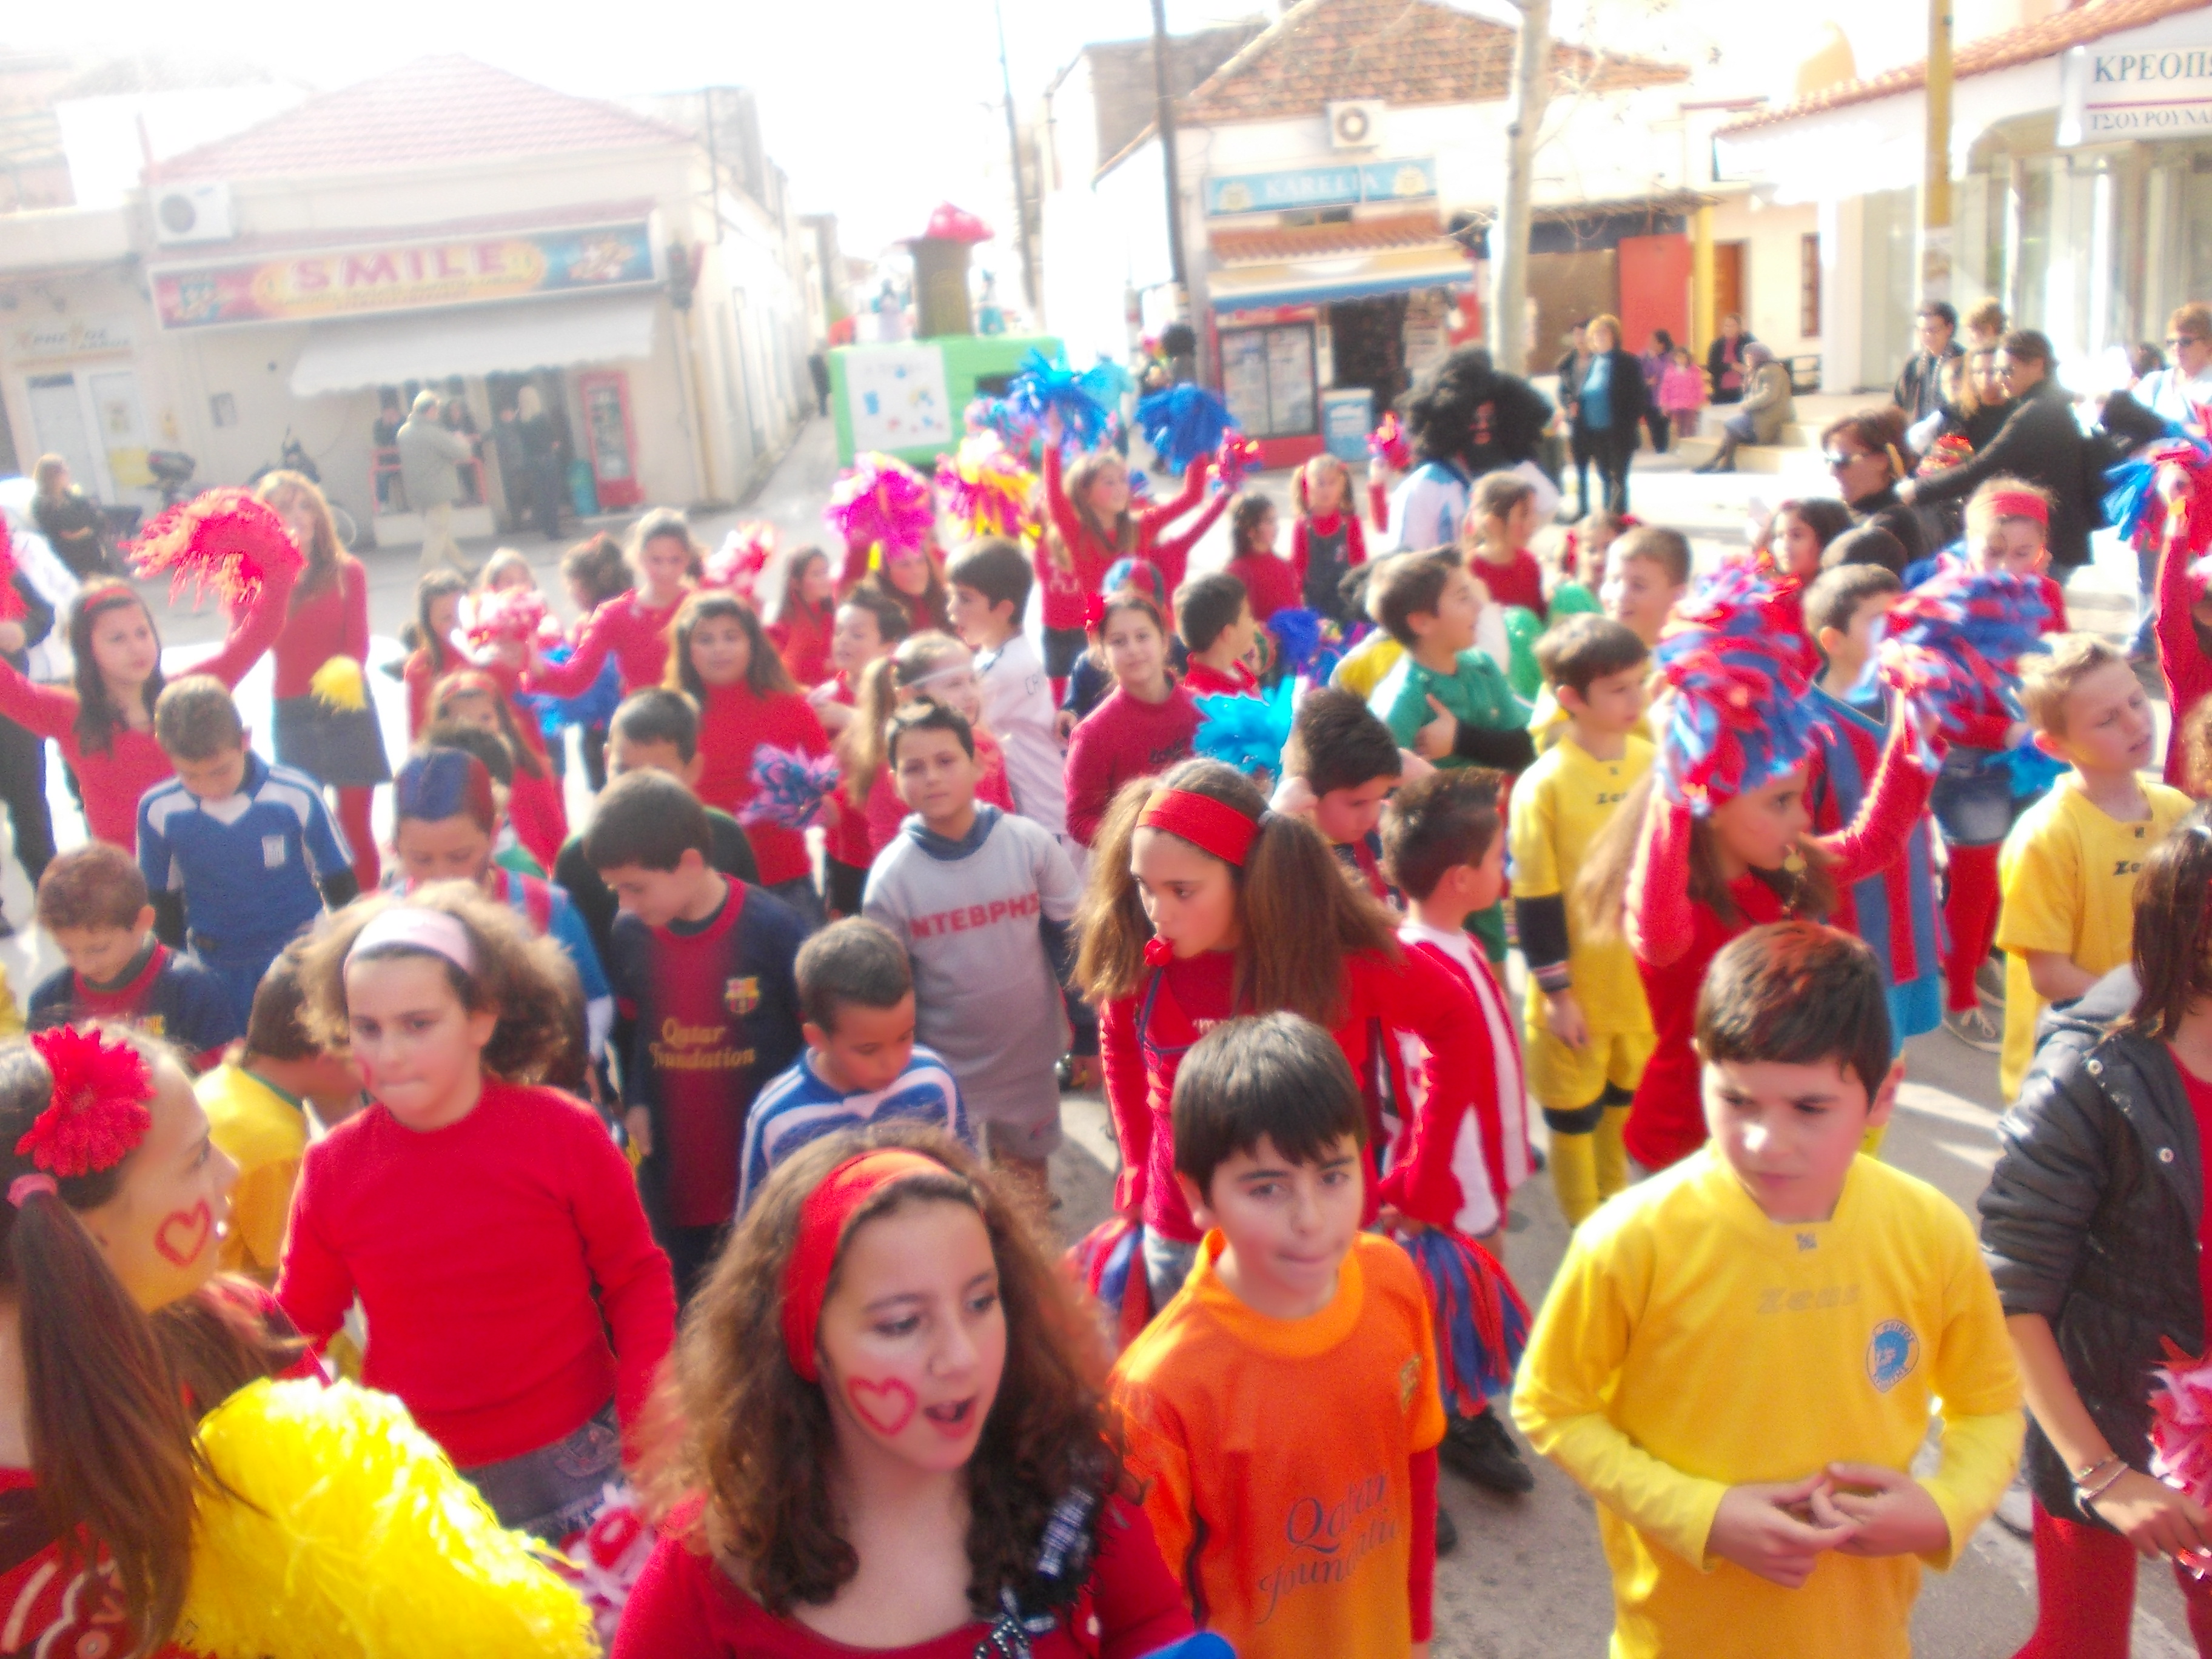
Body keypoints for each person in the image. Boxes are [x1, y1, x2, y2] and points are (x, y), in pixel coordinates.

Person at [1515, 921, 2022, 1659]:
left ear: (1883, 1094)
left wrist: (1946, 1510)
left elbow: (1990, 1404)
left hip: (1866, 1638)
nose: (1764, 1141)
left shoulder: (1930, 1232)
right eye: (1738, 1100)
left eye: (1809, 1108)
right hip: (1679, 1641)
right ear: (1702, 1069)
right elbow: (1550, 1406)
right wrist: (1702, 1515)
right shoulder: (1631, 1240)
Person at [613, 1128, 1195, 1658]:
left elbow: (1152, 1624)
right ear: (808, 1344)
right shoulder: (712, 1560)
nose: (962, 1357)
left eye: (980, 1302)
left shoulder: (1067, 1474)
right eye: (901, 1324)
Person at [281, 885, 676, 1537]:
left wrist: (649, 1413)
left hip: (582, 1457)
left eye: (418, 1024)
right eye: (367, 1028)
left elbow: (635, 1277)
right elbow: (298, 1326)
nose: (388, 1052)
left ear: (482, 1019)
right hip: (423, 1478)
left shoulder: (564, 1132)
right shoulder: (333, 1167)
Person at [1076, 760, 1489, 1321]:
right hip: (1185, 1240)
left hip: (1324, 1242)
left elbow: (1455, 1019)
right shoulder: (1144, 956)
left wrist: (1429, 1171)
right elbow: (1121, 1045)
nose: (1157, 912)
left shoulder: (1335, 957)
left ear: (1249, 878)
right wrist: (1134, 1165)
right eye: (1145, 887)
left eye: (1182, 891)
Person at [1108, 1013, 1444, 1659]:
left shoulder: (1392, 1281)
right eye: (1267, 1188)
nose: (1310, 1219)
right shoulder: (1159, 1394)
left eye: (1333, 1175)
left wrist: (1418, 1631)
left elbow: (1419, 1464)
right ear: (1197, 1194)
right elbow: (1145, 1616)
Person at [1577, 569, 1932, 1173]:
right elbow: (1656, 929)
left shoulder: (1784, 866)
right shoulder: (1676, 909)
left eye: (1800, 796)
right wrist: (1677, 772)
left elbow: (1875, 843)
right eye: (1780, 802)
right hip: (1683, 1160)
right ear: (1709, 806)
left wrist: (1919, 720)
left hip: (1777, 1148)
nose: (1804, 818)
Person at [1980, 822, 2212, 1657]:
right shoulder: (2093, 1068)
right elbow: (2012, 1290)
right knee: (2080, 1645)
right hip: (2107, 1412)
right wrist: (2101, 1471)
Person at [585, 769, 808, 1301]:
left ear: (688, 863)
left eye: (635, 887)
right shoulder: (632, 934)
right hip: (676, 1182)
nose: (625, 904)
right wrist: (638, 1099)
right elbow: (639, 1030)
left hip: (764, 1181)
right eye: (616, 890)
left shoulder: (775, 930)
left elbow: (814, 1044)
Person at [1378, 771, 1538, 1497]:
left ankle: (1459, 1405)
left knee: (1470, 1292)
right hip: (1452, 1180)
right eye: (1501, 856)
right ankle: (1443, 1421)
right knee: (1450, 1299)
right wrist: (1440, 1188)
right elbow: (1423, 1093)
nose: (1509, 866)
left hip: (1481, 1169)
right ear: (1461, 880)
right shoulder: (1419, 960)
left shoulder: (1459, 942)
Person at [863, 703, 1078, 1201]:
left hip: (1029, 1061)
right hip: (942, 1072)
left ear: (979, 764)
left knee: (1027, 1185)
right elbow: (889, 989)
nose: (932, 777)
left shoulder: (1028, 844)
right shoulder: (891, 880)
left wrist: (1087, 1031)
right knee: (956, 1193)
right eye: (914, 768)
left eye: (946, 761)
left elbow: (1071, 940)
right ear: (895, 782)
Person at [0, 535, 298, 852]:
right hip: (129, 874)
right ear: (87, 650)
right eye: (117, 639)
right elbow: (8, 688)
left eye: (142, 633)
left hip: (211, 862)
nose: (136, 648)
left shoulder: (189, 692)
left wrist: (271, 556)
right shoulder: (66, 713)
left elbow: (258, 635)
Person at [1995, 635, 2192, 1101]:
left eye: (2136, 701)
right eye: (2107, 720)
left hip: (2158, 1057)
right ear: (2054, 745)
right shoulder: (2048, 835)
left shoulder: (2177, 810)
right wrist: (2154, 1013)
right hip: (2074, 1073)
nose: (2136, 723)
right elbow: (2050, 974)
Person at [1511, 615, 1653, 1227]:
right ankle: (1584, 1235)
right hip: (1576, 998)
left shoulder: (1654, 761)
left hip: (1639, 988)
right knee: (1573, 1119)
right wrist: (1558, 995)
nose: (1635, 699)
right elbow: (1535, 897)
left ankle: (1613, 1218)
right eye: (1618, 689)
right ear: (1571, 698)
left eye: (1639, 683)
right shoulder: (1543, 784)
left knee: (1623, 1107)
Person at [138, 675, 358, 1030]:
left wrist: (346, 954)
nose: (210, 787)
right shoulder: (159, 810)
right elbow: (163, 903)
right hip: (217, 964)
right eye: (191, 776)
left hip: (299, 958)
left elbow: (340, 882)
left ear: (245, 740)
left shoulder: (295, 793)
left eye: (220, 771)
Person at [389, 745, 614, 1065]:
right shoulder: (385, 921)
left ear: (494, 833)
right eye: (421, 859)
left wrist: (581, 1059)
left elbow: (597, 998)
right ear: (396, 846)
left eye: (460, 856)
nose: (441, 876)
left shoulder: (545, 907)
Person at [1800, 564, 1945, 1054]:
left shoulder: (1906, 699)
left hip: (1909, 912)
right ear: (1833, 640)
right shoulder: (1808, 728)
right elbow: (1801, 850)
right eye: (1881, 620)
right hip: (1850, 933)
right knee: (1858, 1056)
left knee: (1890, 1054)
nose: (1899, 631)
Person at [737, 919, 968, 1212]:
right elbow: (757, 1228)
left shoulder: (933, 1080)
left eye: (905, 1036)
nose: (892, 1063)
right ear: (817, 1039)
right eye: (868, 1050)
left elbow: (968, 1186)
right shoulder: (779, 1118)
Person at [553, 688, 760, 967]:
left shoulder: (723, 836)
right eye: (623, 771)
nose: (638, 786)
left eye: (657, 774)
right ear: (606, 761)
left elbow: (751, 932)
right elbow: (576, 960)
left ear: (692, 770)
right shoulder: (579, 856)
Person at [197, 939, 364, 1281]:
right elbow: (287, 1277)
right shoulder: (278, 1146)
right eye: (368, 1041)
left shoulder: (224, 1081)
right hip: (230, 1304)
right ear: (328, 1056)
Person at [256, 470, 390, 890]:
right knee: (307, 826)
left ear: (318, 514)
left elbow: (357, 647)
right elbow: (252, 642)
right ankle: (327, 910)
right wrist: (281, 573)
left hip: (346, 706)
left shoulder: (348, 572)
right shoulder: (255, 578)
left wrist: (335, 691)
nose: (297, 516)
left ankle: (367, 908)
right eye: (283, 508)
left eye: (305, 505)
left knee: (355, 825)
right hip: (292, 711)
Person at [667, 590, 831, 928]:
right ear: (687, 649)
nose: (720, 649)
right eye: (706, 639)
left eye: (731, 636)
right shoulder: (670, 715)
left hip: (785, 878)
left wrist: (819, 806)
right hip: (705, 885)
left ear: (753, 643)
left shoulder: (791, 706)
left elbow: (832, 784)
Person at [1899, 330, 2096, 577]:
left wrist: (1918, 490)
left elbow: (1983, 466)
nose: (2000, 379)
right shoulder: (2050, 404)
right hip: (2049, 535)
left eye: (2008, 371)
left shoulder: (2036, 412)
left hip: (2045, 540)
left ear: (2037, 365)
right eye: (1998, 371)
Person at [27, 841, 236, 1068]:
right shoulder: (49, 1001)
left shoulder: (191, 989)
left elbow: (220, 1078)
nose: (84, 965)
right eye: (66, 950)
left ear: (143, 921)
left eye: (98, 949)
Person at [1036, 442, 1221, 690]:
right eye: (1109, 482)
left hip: (1147, 635)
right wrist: (1053, 442)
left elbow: (1192, 496)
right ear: (1085, 492)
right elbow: (1056, 500)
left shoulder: (1140, 527)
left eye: (1123, 480)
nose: (1120, 488)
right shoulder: (1078, 536)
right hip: (1106, 643)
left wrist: (1198, 438)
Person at [842, 631, 1016, 862]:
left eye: (972, 680)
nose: (970, 694)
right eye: (954, 684)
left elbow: (1006, 816)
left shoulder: (985, 745)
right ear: (910, 695)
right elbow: (887, 843)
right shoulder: (896, 764)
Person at [947, 537, 1067, 845]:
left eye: (965, 599)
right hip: (1055, 811)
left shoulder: (997, 672)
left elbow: (949, 726)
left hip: (1045, 817)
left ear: (1003, 609)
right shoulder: (1019, 652)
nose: (952, 610)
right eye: (952, 597)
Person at [1366, 551, 1529, 769]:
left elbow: (1525, 751)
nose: (1478, 606)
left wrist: (1461, 740)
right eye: (1463, 598)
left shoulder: (1482, 666)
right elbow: (1386, 782)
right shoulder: (1401, 700)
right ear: (1422, 622)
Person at [1384, 346, 1557, 552]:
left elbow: (1548, 505)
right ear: (1451, 419)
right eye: (1473, 418)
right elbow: (1403, 557)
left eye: (1491, 418)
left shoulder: (1511, 474)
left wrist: (1510, 461)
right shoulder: (1425, 485)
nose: (1483, 426)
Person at [1062, 591, 1199, 846]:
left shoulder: (1203, 709)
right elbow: (1079, 819)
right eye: (1118, 642)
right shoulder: (1094, 734)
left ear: (1164, 641)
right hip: (1137, 863)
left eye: (1142, 636)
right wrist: (1138, 839)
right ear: (1102, 654)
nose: (1133, 649)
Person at [527, 507, 700, 702]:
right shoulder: (615, 614)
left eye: (675, 560)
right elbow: (576, 678)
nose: (665, 570)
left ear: (687, 559)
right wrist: (531, 658)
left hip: (703, 716)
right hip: (643, 717)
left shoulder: (702, 607)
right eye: (656, 560)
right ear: (639, 557)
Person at [426, 666, 569, 874]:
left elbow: (556, 835)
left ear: (500, 718)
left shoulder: (527, 771)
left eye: (486, 717)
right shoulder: (435, 781)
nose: (478, 728)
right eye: (463, 721)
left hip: (525, 877)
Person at [1277, 686, 1406, 902]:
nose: (1371, 816)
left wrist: (1427, 778)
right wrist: (1274, 824)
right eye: (1357, 803)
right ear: (1308, 790)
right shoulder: (1294, 859)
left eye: (1380, 797)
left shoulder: (1386, 834)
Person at [0, 548, 57, 931]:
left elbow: (43, 612)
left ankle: (52, 895)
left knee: (30, 806)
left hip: (13, 710)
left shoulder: (6, 569)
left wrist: (23, 630)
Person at [554, 533, 632, 791]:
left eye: (573, 585)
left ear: (587, 586)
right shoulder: (632, 610)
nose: (570, 592)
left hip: (603, 728)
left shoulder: (590, 625)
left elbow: (576, 681)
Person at [1823, 408, 1934, 572]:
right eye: (1828, 461)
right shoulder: (1838, 512)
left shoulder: (1894, 522)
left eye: (1841, 461)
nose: (1832, 471)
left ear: (1882, 460)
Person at [1567, 314, 1650, 517]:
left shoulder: (1627, 362)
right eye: (1596, 334)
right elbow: (1582, 392)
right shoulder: (1592, 362)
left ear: (1615, 336)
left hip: (1619, 431)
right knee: (1604, 475)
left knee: (1618, 477)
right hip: (1594, 431)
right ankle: (1607, 517)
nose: (1600, 337)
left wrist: (1628, 423)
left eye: (1604, 333)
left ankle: (1619, 518)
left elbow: (1639, 397)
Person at [396, 390, 478, 575]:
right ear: (431, 410)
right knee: (436, 535)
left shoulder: (404, 432)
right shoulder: (432, 432)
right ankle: (426, 575)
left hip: (417, 493)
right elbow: (462, 453)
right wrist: (462, 441)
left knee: (440, 533)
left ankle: (465, 566)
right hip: (438, 492)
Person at [1290, 452, 1368, 621]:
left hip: (1345, 597)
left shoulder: (1351, 522)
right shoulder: (1303, 524)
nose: (1326, 490)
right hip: (1315, 601)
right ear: (1308, 485)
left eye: (1332, 483)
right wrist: (1297, 600)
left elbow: (1360, 561)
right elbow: (1298, 565)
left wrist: (1362, 593)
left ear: (1342, 485)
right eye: (1320, 483)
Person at [1695, 343, 1794, 474]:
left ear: (1759, 356)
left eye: (1750, 356)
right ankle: (1723, 462)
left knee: (1733, 426)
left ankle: (1720, 461)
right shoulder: (1758, 370)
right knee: (1732, 428)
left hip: (1770, 419)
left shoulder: (1771, 371)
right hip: (1757, 418)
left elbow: (1769, 395)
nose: (1747, 360)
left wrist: (1746, 405)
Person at [1462, 471, 1547, 618]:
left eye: (1534, 512)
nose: (1533, 522)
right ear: (1493, 523)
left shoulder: (1530, 563)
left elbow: (1539, 617)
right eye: (1524, 515)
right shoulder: (1470, 570)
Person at [401, 568, 470, 740]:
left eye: (463, 614)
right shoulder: (421, 668)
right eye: (446, 618)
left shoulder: (491, 649)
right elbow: (420, 733)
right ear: (428, 623)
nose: (459, 623)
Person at [1173, 571, 1259, 698]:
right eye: (1248, 616)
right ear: (1228, 634)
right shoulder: (1203, 697)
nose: (1253, 623)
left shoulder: (1237, 668)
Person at [29, 453, 113, 579]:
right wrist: (82, 531)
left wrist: (85, 531)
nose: (68, 474)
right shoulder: (41, 503)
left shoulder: (73, 498)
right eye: (63, 471)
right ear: (51, 476)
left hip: (92, 557)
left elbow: (98, 520)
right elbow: (59, 532)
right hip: (69, 562)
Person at [1221, 492, 1299, 623]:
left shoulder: (1284, 565)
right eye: (1269, 521)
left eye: (1275, 521)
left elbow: (1296, 608)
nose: (1276, 527)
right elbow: (1235, 620)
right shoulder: (1237, 571)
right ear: (1250, 530)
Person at [768, 545, 837, 692]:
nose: (825, 579)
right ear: (795, 583)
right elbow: (778, 672)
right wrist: (823, 665)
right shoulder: (781, 629)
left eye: (826, 572)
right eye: (816, 575)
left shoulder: (833, 616)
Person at [1895, 300, 1963, 423]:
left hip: (1952, 428)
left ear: (1949, 329)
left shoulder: (1963, 360)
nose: (1928, 335)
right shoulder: (1914, 362)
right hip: (1917, 429)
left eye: (1933, 330)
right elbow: (1899, 400)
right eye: (1922, 330)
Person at [514, 384, 565, 540]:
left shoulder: (519, 420)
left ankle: (546, 528)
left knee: (540, 496)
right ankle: (555, 530)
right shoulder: (541, 417)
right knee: (552, 496)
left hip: (531, 461)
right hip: (547, 459)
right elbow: (552, 440)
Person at [1658, 344, 1706, 447]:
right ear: (1674, 358)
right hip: (1675, 405)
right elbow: (1665, 389)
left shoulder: (1694, 371)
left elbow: (1699, 387)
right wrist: (1664, 405)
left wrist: (1701, 401)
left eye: (1684, 357)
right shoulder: (1669, 372)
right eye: (1679, 357)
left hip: (1690, 405)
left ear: (1688, 358)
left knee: (1690, 427)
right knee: (1678, 428)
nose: (1681, 360)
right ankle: (1681, 445)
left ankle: (1690, 445)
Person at [1638, 328, 1676, 455]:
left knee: (1663, 431)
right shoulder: (1644, 357)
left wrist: (1654, 359)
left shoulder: (1670, 357)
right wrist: (1647, 381)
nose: (1649, 344)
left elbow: (1665, 374)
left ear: (1662, 344)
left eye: (1653, 341)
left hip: (1665, 401)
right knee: (1654, 430)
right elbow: (1637, 375)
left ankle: (1663, 453)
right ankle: (1659, 451)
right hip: (1649, 400)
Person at [1705, 312, 1754, 407]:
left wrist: (1745, 368)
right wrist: (1731, 366)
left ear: (1739, 327)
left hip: (1743, 390)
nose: (1729, 329)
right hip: (1721, 391)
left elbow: (1758, 359)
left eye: (1732, 326)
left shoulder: (1747, 342)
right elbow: (1712, 367)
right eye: (1727, 326)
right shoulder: (1717, 345)